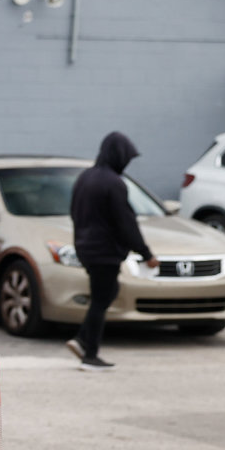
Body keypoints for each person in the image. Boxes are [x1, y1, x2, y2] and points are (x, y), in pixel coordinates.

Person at [66, 131, 159, 371]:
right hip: (104, 251)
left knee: (107, 293)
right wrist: (146, 253)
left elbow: (74, 212)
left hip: (86, 247)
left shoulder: (85, 177)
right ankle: (90, 355)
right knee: (101, 300)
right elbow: (126, 222)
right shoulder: (114, 183)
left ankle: (82, 339)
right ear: (118, 156)